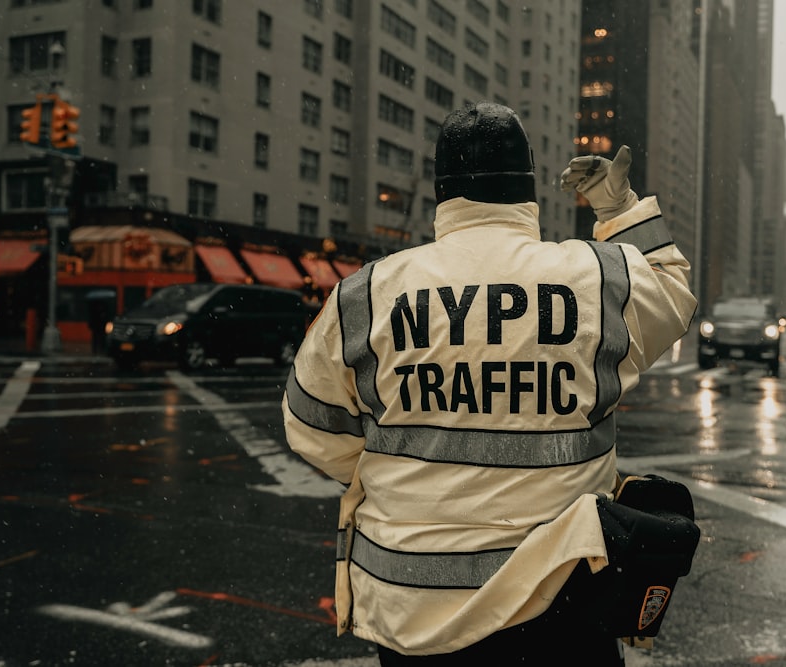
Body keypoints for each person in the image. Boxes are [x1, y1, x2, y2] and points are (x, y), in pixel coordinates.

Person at [282, 101, 697, 665]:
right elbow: (673, 295)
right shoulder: (596, 277)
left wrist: (406, 470)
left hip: (411, 608)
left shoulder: (366, 292)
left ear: (442, 191)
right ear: (527, 191)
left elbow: (311, 425)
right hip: (560, 603)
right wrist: (617, 206)